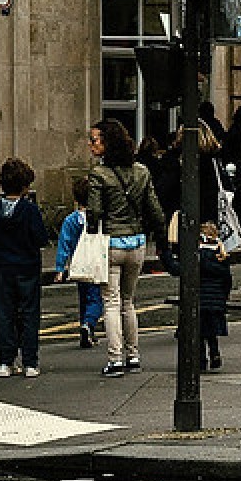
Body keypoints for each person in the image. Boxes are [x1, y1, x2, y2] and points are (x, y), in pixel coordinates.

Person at [86, 118, 167, 378]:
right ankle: (133, 355)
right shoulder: (142, 171)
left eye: (95, 140)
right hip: (137, 243)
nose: (91, 145)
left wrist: (90, 227)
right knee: (128, 302)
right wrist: (162, 239)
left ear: (107, 143)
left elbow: (95, 212)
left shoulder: (99, 174)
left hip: (111, 243)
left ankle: (115, 358)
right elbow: (154, 210)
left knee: (110, 302)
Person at [0, 157, 50, 378]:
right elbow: (41, 238)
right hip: (28, 267)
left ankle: (6, 362)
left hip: (4, 267)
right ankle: (30, 362)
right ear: (25, 186)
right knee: (29, 314)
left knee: (6, 314)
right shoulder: (29, 211)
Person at [54, 176, 103, 349]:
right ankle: (88, 324)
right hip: (96, 263)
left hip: (78, 264)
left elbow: (63, 244)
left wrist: (60, 268)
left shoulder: (70, 220)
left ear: (75, 199)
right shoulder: (98, 218)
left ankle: (86, 329)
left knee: (84, 297)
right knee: (96, 299)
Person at [197, 221, 233, 370]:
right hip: (216, 300)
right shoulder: (221, 256)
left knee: (199, 331)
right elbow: (227, 280)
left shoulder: (199, 256)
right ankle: (214, 352)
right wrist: (224, 297)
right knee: (211, 332)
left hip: (200, 299)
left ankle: (201, 360)